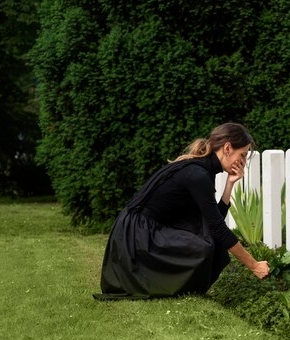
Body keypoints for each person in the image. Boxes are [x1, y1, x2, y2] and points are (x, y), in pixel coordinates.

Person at [94, 122, 270, 301]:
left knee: (209, 241)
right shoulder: (198, 174)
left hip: (144, 229)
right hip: (137, 236)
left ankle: (184, 288)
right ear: (227, 148)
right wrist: (254, 265)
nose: (243, 162)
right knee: (204, 246)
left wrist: (230, 184)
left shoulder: (202, 169)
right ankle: (170, 285)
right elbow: (217, 228)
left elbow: (212, 222)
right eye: (242, 155)